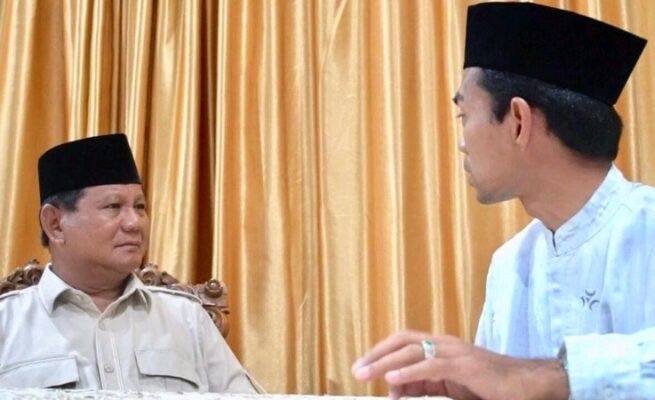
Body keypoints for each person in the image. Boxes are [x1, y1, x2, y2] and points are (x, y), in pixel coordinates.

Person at [352, 2, 655, 399]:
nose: (462, 143)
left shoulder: (646, 227)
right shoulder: (510, 264)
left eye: (464, 116)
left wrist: (543, 378)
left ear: (518, 121)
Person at [0, 134, 259, 392]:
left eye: (140, 206)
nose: (134, 223)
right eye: (113, 206)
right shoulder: (6, 324)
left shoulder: (187, 319)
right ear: (55, 224)